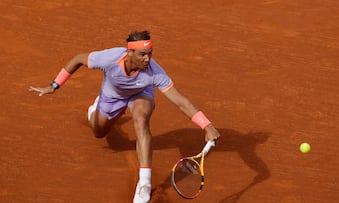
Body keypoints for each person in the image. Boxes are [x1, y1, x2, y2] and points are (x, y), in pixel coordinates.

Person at [29, 30, 220, 203]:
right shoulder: (110, 58)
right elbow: (78, 59)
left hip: (140, 95)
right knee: (98, 132)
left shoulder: (154, 72)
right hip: (112, 98)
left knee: (141, 120)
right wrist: (54, 86)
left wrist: (206, 125)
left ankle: (143, 183)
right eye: (142, 54)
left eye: (150, 53)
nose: (148, 59)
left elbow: (181, 101)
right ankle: (96, 110)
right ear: (129, 53)